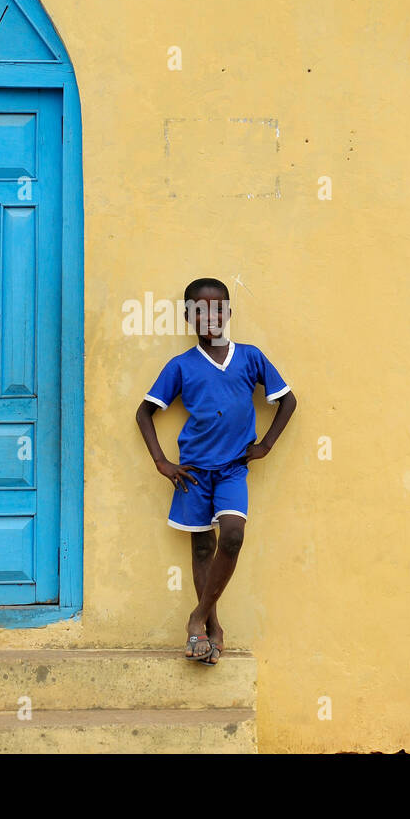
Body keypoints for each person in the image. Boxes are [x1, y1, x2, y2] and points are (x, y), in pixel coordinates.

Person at [134, 277, 297, 664]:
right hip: (193, 472)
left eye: (217, 306)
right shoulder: (181, 366)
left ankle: (196, 616)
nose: (210, 314)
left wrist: (265, 446)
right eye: (200, 308)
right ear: (189, 316)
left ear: (228, 312)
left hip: (232, 470)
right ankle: (213, 628)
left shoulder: (250, 356)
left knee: (233, 535)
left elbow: (288, 401)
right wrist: (161, 461)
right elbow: (144, 412)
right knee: (203, 546)